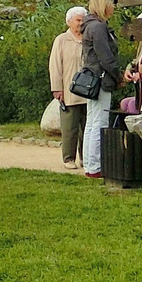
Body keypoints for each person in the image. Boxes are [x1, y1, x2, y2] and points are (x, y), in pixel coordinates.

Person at [78, 0, 120, 179]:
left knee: (91, 121)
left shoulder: (88, 26)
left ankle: (89, 163)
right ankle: (95, 166)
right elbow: (106, 57)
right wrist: (117, 76)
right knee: (100, 122)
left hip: (92, 77)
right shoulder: (98, 27)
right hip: (102, 78)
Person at [49, 9, 88, 170]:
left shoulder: (88, 39)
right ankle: (68, 158)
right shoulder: (61, 40)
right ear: (69, 22)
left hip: (88, 90)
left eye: (82, 20)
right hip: (69, 91)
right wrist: (57, 89)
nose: (80, 23)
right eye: (78, 20)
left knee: (87, 126)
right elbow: (55, 66)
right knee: (70, 127)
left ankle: (85, 157)